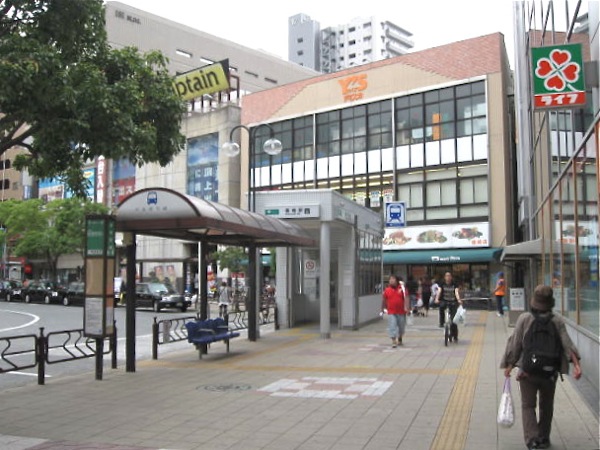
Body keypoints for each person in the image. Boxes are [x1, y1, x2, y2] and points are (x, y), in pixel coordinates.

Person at [500, 285, 582, 450]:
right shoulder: (557, 321)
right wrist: (577, 365)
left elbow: (515, 344)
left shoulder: (524, 318)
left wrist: (509, 365)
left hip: (527, 372)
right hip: (549, 373)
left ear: (534, 301)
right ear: (550, 302)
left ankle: (532, 439)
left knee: (528, 405)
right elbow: (567, 344)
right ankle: (543, 438)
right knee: (547, 405)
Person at [381, 274, 409, 348]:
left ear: (397, 281)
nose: (391, 281)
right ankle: (393, 340)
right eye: (390, 279)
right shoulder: (387, 290)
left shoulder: (402, 289)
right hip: (391, 311)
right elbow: (384, 300)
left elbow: (406, 298)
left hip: (401, 311)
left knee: (401, 327)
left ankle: (400, 337)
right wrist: (382, 309)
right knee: (392, 325)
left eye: (393, 279)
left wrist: (407, 308)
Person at [434, 272, 462, 341]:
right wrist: (437, 299)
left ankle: (455, 335)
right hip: (444, 301)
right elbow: (439, 291)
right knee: (441, 307)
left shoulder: (454, 284)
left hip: (453, 302)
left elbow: (456, 292)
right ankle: (441, 322)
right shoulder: (442, 284)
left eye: (449, 276)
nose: (448, 277)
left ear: (451, 277)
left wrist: (458, 300)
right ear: (444, 277)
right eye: (446, 276)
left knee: (453, 320)